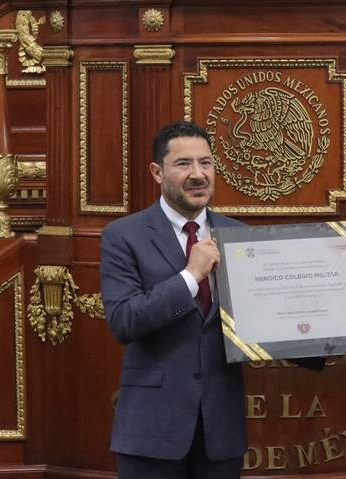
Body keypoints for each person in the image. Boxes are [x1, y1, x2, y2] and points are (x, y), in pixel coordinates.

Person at [100, 121, 247, 478]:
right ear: (157, 171)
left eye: (206, 163)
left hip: (220, 433)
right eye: (183, 164)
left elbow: (269, 320)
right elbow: (124, 320)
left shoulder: (239, 236)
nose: (198, 174)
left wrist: (332, 343)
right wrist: (190, 276)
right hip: (151, 431)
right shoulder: (123, 235)